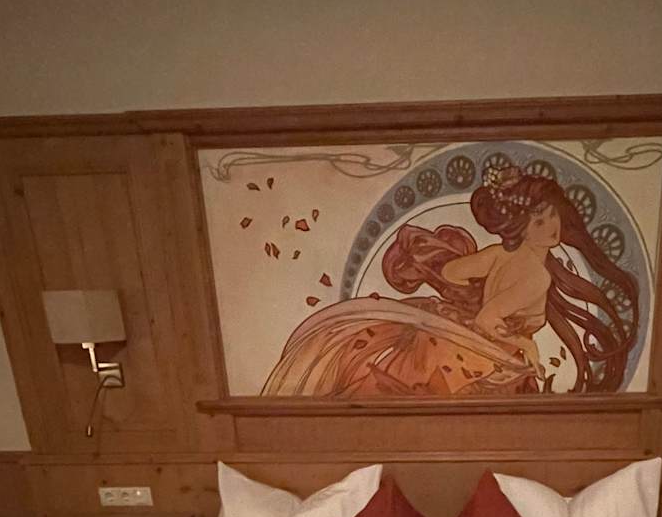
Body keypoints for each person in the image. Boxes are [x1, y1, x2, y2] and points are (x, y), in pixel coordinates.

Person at [261, 161, 639, 397]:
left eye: (553, 215)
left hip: (460, 337)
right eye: (539, 221)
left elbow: (451, 272)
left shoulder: (500, 254)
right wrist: (527, 343)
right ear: (521, 226)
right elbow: (487, 319)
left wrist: (477, 288)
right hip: (485, 356)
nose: (552, 227)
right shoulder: (536, 277)